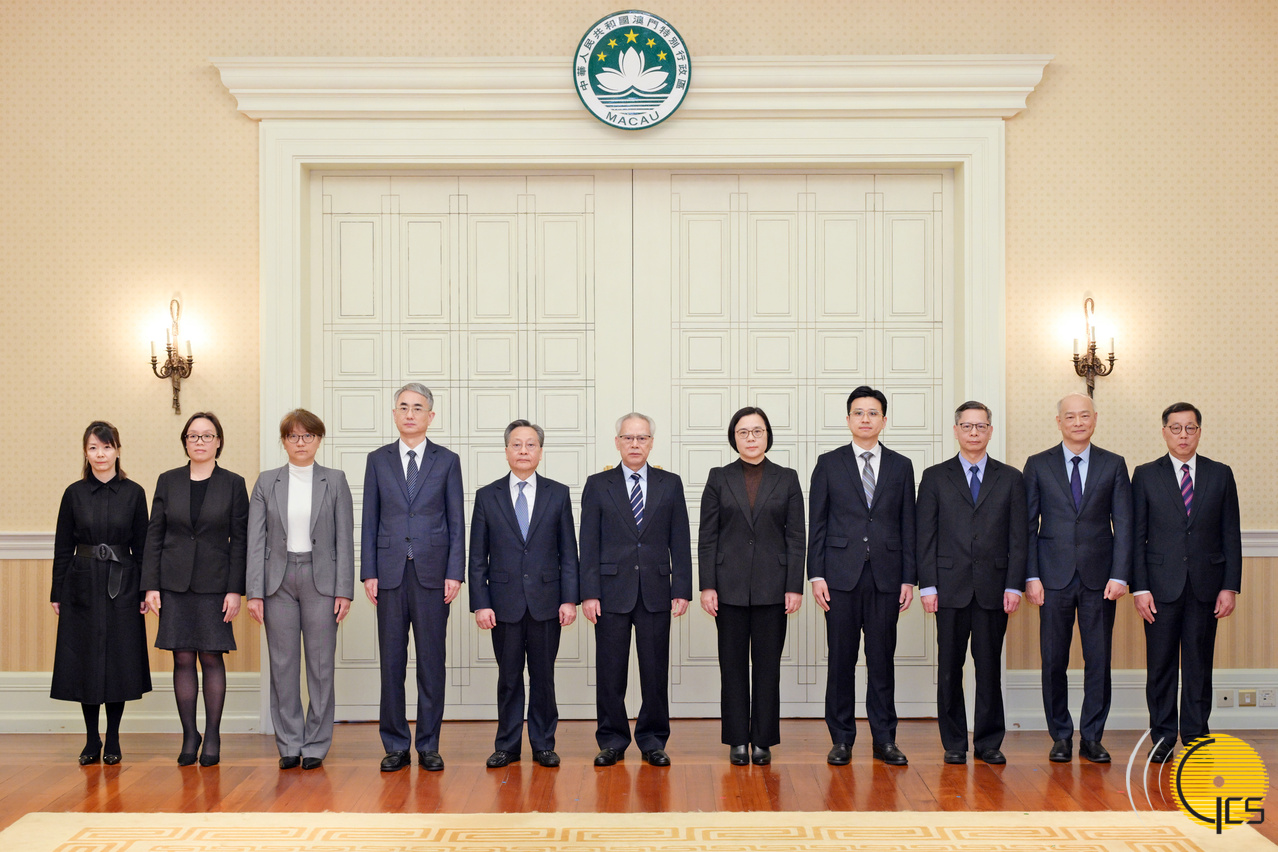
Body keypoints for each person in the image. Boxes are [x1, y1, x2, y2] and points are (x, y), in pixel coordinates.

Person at [808, 385, 916, 766]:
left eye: (873, 413)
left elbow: (908, 525)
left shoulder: (902, 466)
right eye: (859, 412)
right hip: (839, 578)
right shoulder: (828, 463)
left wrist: (909, 578)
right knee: (841, 660)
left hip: (887, 578)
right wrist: (816, 575)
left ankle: (885, 739)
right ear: (848, 419)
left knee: (881, 660)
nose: (865, 419)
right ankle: (841, 739)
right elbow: (817, 523)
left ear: (884, 420)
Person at [1023, 392, 1132, 764]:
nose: (1078, 422)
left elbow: (1125, 525)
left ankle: (1092, 737)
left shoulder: (1114, 464)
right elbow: (1027, 526)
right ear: (1059, 422)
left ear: (1095, 418)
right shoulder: (1037, 464)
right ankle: (1060, 735)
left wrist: (1120, 575)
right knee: (1053, 660)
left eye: (1084, 416)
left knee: (1098, 660)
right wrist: (1031, 576)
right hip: (1051, 578)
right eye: (1070, 416)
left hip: (1100, 580)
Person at [916, 401, 1026, 765]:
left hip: (995, 588)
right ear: (956, 430)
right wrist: (927, 585)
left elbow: (1019, 537)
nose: (974, 432)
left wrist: (1014, 585)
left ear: (990, 431)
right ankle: (954, 742)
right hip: (948, 588)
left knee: (989, 667)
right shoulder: (934, 477)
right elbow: (925, 535)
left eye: (981, 426)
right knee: (950, 668)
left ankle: (989, 742)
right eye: (967, 426)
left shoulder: (1010, 478)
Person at [361, 383, 464, 772]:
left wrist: (455, 572)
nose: (409, 413)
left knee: (431, 663)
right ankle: (395, 745)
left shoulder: (447, 460)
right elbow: (369, 519)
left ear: (430, 416)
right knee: (391, 663)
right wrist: (368, 572)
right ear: (394, 414)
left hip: (433, 574)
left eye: (417, 408)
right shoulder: (377, 460)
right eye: (403, 407)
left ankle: (429, 744)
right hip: (389, 573)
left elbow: (456, 520)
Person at [579, 412, 692, 767]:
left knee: (654, 672)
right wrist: (589, 592)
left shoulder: (670, 484)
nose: (635, 444)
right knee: (610, 672)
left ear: (651, 443)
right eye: (628, 438)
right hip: (610, 593)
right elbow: (588, 543)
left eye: (642, 438)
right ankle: (612, 740)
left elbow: (680, 540)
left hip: (656, 591)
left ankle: (653, 740)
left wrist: (682, 588)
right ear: (617, 443)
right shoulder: (598, 484)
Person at [1132, 402, 1241, 763]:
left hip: (1206, 586)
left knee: (1198, 665)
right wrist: (1140, 588)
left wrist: (1229, 586)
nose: (1183, 435)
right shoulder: (1145, 475)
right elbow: (1136, 536)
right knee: (1160, 666)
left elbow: (1231, 534)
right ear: (1164, 432)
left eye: (1190, 428)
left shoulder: (1220, 474)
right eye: (1176, 428)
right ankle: (1162, 738)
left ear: (1199, 432)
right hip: (1159, 588)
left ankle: (1195, 736)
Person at [246, 409, 355, 771]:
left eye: (308, 436)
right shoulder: (267, 482)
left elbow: (344, 539)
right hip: (277, 582)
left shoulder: (334, 480)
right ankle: (290, 743)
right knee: (282, 666)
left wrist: (344, 590)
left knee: (321, 667)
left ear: (319, 439)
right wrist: (255, 592)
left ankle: (316, 744)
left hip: (321, 580)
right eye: (293, 436)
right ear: (284, 441)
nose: (301, 442)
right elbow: (255, 542)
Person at [468, 420, 579, 769]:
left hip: (547, 602)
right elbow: (477, 557)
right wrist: (481, 603)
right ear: (506, 451)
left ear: (540, 452)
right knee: (509, 678)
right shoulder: (487, 496)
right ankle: (507, 745)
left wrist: (569, 599)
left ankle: (544, 744)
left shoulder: (558, 493)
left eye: (531, 445)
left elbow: (569, 553)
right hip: (503, 605)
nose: (523, 451)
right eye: (516, 444)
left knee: (543, 677)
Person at [698, 407, 804, 766]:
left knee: (767, 667)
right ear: (734, 438)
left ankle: (762, 740)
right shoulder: (718, 477)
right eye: (743, 432)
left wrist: (794, 586)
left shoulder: (787, 478)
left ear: (767, 436)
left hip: (774, 588)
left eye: (757, 431)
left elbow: (796, 536)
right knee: (732, 667)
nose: (751, 438)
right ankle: (737, 740)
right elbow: (707, 537)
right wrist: (707, 585)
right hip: (727, 588)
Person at [142, 411, 249, 767]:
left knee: (211, 656)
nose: (199, 441)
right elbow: (154, 535)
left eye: (207, 435)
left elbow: (240, 541)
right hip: (173, 583)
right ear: (185, 442)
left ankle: (213, 734)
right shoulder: (168, 480)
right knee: (182, 657)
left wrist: (235, 590)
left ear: (218, 441)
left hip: (215, 585)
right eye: (193, 436)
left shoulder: (233, 483)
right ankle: (190, 734)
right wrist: (150, 586)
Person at [50, 421, 152, 765]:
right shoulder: (73, 494)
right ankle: (92, 738)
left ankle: (114, 737)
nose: (100, 454)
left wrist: (145, 591)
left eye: (106, 447)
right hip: (81, 584)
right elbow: (62, 546)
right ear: (85, 452)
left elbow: (143, 547)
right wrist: (57, 591)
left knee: (119, 659)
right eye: (93, 447)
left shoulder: (134, 493)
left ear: (117, 450)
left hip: (123, 585)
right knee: (86, 659)